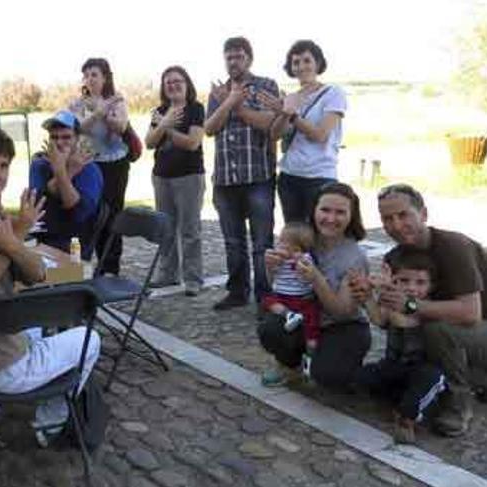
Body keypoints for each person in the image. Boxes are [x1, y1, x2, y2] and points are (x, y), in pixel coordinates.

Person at [0, 125, 100, 442]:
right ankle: (50, 423)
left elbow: (36, 274)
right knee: (90, 338)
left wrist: (14, 240)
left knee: (43, 327)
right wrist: (14, 241)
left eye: (4, 165)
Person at [353, 184, 487, 436]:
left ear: (423, 214)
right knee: (404, 359)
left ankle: (458, 404)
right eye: (387, 218)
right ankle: (481, 377)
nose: (396, 225)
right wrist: (371, 295)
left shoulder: (454, 246)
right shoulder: (394, 257)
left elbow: (470, 313)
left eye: (403, 215)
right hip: (459, 328)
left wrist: (409, 304)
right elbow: (389, 317)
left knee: (436, 330)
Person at [258, 182, 370, 389]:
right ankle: (290, 365)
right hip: (305, 315)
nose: (331, 218)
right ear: (314, 210)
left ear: (351, 216)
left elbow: (342, 312)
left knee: (328, 376)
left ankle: (341, 361)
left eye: (340, 212)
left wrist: (316, 279)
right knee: (270, 327)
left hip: (342, 325)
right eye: (325, 210)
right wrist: (271, 267)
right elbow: (279, 287)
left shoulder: (355, 256)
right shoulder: (301, 239)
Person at [203, 37, 280, 311]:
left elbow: (269, 123)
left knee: (262, 243)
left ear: (249, 58)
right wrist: (227, 102)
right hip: (225, 179)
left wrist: (236, 105)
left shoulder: (266, 86)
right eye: (229, 57)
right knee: (233, 242)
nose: (233, 62)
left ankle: (265, 297)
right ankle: (237, 292)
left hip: (258, 176)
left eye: (238, 56)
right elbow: (209, 128)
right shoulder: (218, 91)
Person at [356, 246, 446, 444]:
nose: (412, 288)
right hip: (394, 364)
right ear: (394, 279)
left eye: (420, 282)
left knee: (429, 379)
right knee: (359, 378)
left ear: (431, 285)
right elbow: (379, 320)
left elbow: (404, 322)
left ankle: (407, 419)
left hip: (421, 368)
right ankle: (396, 398)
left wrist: (387, 289)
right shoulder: (391, 300)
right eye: (404, 281)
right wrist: (368, 297)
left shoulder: (426, 307)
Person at [259, 40, 347, 223]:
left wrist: (292, 115)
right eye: (296, 62)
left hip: (320, 176)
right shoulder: (291, 97)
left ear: (318, 63)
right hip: (289, 176)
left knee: (321, 231)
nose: (301, 67)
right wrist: (283, 113)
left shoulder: (333, 93)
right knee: (295, 233)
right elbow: (275, 135)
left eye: (307, 60)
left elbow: (320, 135)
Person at [144, 65, 205, 296]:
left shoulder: (195, 109)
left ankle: (193, 279)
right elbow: (149, 142)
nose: (173, 85)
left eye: (177, 81)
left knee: (190, 230)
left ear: (187, 84)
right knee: (166, 229)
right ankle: (168, 273)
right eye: (168, 82)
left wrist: (167, 127)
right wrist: (163, 123)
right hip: (162, 177)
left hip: (189, 177)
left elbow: (192, 143)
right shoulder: (159, 111)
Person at [69, 58, 130, 276]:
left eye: (94, 74)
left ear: (105, 77)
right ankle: (82, 265)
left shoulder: (117, 100)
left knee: (112, 216)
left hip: (114, 165)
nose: (89, 79)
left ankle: (110, 268)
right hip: (87, 164)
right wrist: (97, 113)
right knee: (88, 214)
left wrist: (104, 111)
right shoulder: (77, 104)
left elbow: (121, 126)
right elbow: (75, 128)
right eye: (86, 75)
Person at [29, 110, 103, 258]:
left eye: (66, 137)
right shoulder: (40, 165)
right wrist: (67, 171)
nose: (59, 143)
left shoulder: (89, 169)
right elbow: (40, 205)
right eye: (54, 137)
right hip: (41, 237)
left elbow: (76, 211)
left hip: (73, 244)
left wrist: (61, 171)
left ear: (77, 139)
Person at [262, 222, 319, 350]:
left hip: (301, 297)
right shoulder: (279, 259)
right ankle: (289, 314)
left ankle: (312, 340)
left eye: (291, 247)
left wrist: (299, 265)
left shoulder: (305, 259)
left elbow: (306, 280)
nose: (283, 247)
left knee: (312, 315)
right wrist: (271, 265)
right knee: (267, 301)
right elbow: (273, 277)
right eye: (281, 243)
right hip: (281, 296)